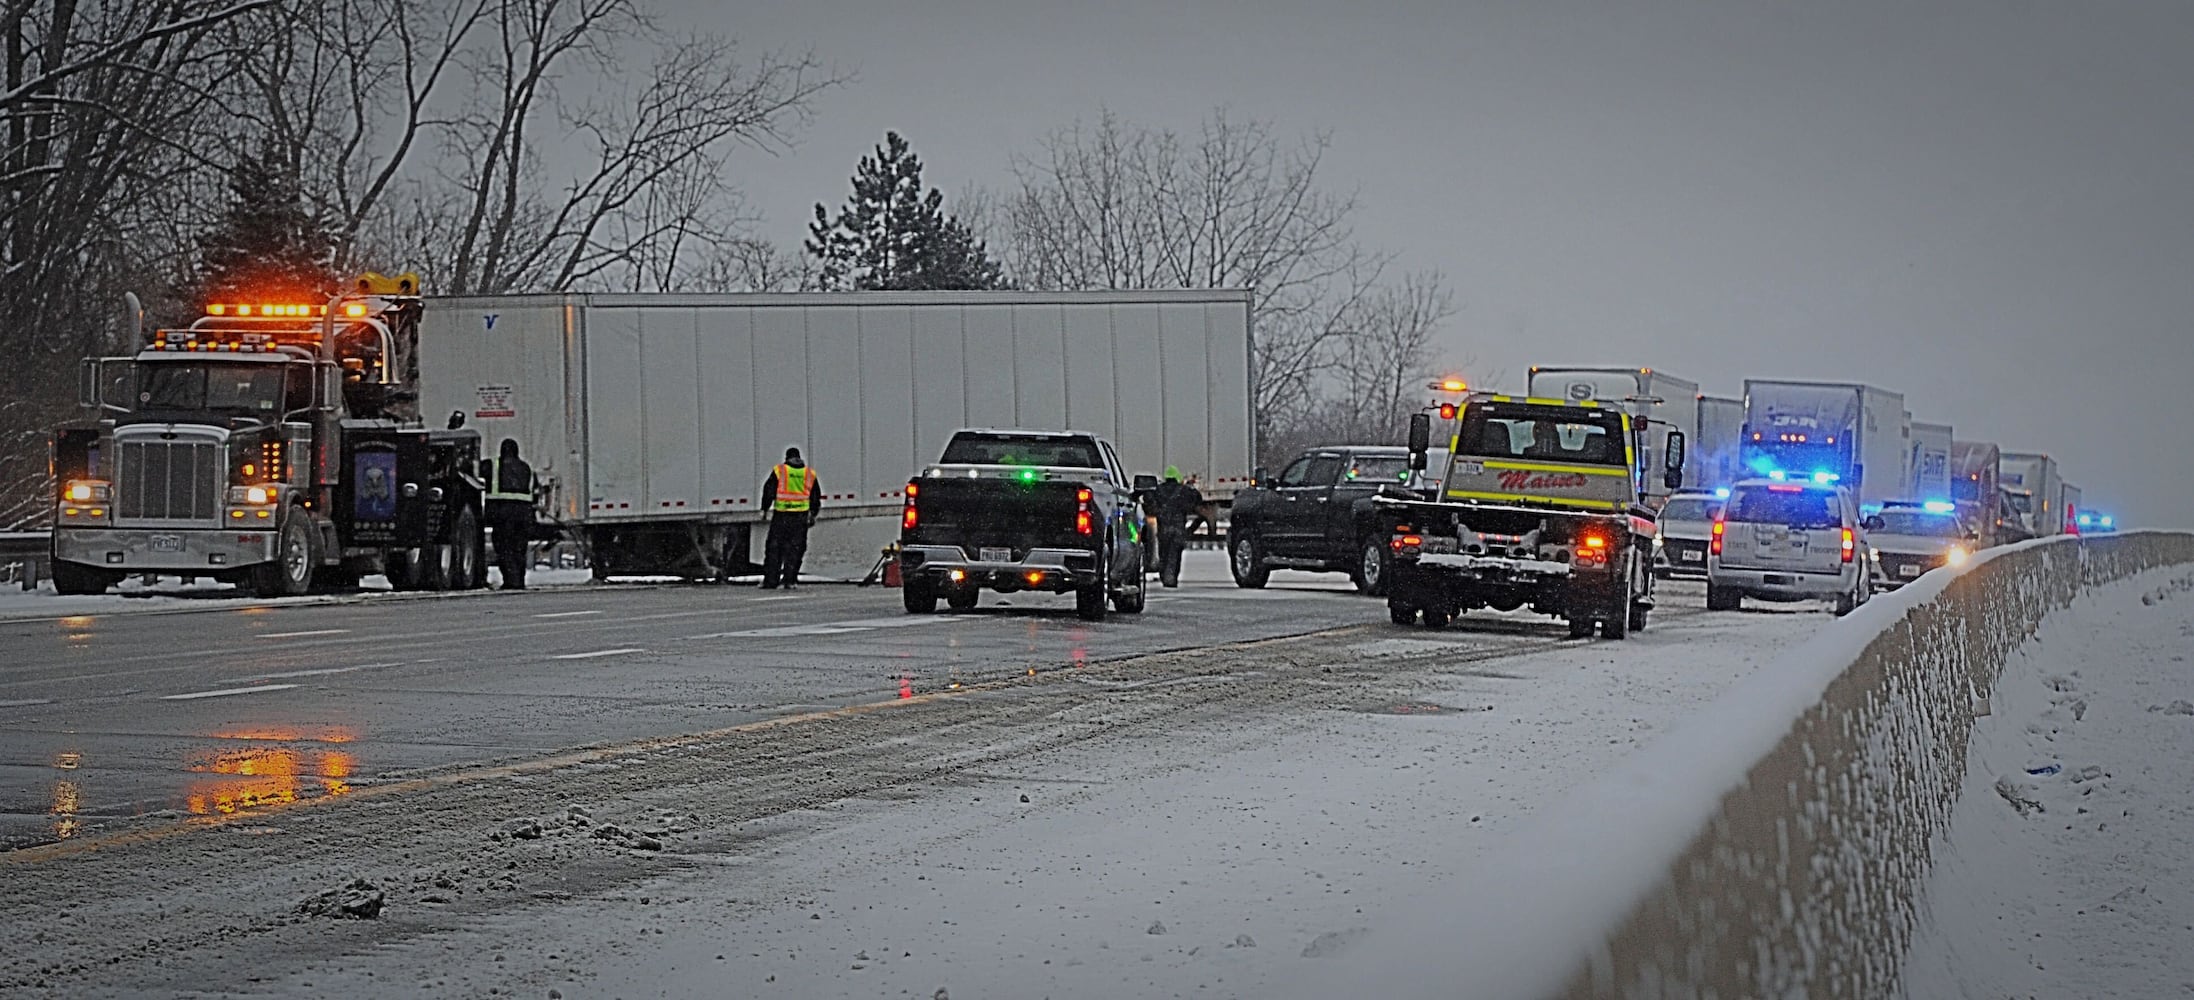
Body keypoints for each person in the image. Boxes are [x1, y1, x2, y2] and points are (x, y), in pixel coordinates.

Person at [760, 446, 820, 589]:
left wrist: (764, 509)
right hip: (800, 517)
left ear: (787, 458)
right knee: (795, 549)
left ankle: (771, 581)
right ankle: (790, 580)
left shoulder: (779, 471)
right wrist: (813, 513)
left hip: (781, 516)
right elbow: (815, 496)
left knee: (774, 549)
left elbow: (768, 490)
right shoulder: (809, 474)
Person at [482, 438, 536, 590]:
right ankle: (519, 580)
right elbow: (534, 491)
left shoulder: (493, 465)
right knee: (519, 549)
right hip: (524, 515)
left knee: (504, 549)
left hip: (503, 515)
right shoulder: (526, 468)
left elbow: (476, 471)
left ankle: (511, 581)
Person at [1149, 465, 1204, 588]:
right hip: (1178, 528)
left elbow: (1148, 501)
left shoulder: (1158, 490)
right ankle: (1171, 578)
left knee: (1163, 553)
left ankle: (1164, 576)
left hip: (1163, 529)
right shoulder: (1184, 491)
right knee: (1174, 554)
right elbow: (1198, 500)